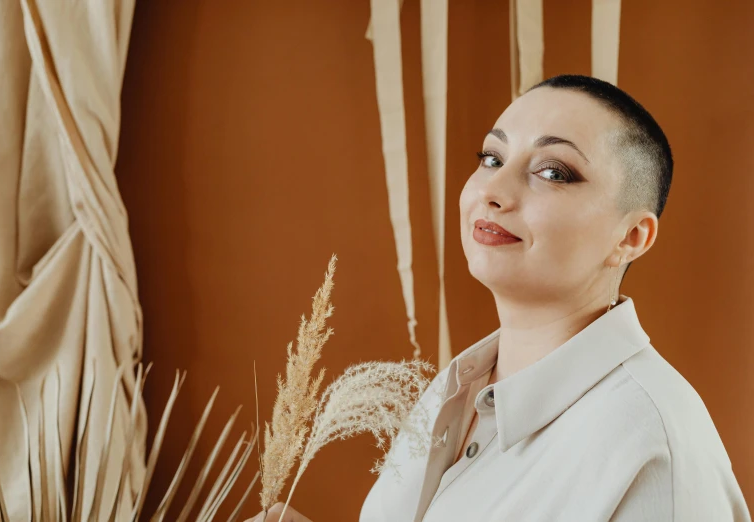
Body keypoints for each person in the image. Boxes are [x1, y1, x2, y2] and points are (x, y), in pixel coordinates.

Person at [245, 75, 752, 522]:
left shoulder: (649, 449)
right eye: (492, 157)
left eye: (553, 172)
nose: (494, 189)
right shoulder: (453, 392)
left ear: (631, 237)